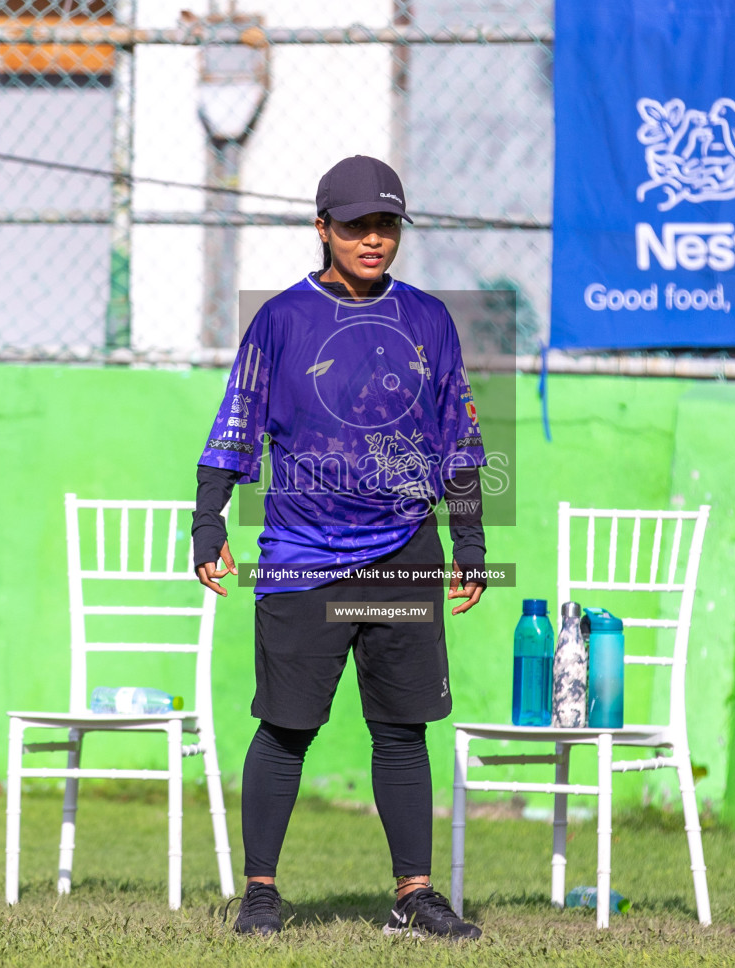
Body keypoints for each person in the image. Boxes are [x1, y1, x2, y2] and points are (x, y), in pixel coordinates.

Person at [193, 154, 490, 940]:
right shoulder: (282, 320)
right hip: (303, 556)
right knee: (286, 725)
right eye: (357, 224)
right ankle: (260, 892)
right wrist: (209, 521)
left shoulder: (429, 319)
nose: (373, 239)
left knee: (401, 727)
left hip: (403, 550)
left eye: (386, 224)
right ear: (322, 229)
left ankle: (414, 894)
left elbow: (459, 434)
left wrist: (469, 540)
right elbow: (237, 421)